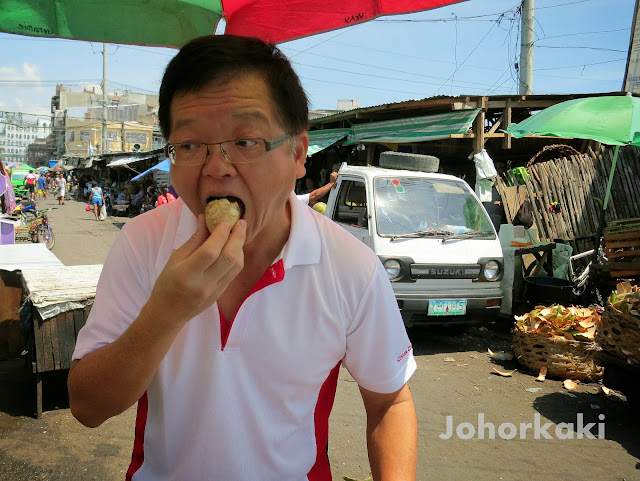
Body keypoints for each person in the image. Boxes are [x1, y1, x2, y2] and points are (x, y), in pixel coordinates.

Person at [68, 35, 417, 481]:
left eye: (247, 140)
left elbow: (390, 401)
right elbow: (87, 407)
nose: (217, 166)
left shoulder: (351, 266)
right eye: (190, 145)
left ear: (297, 153)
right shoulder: (143, 242)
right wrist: (166, 311)